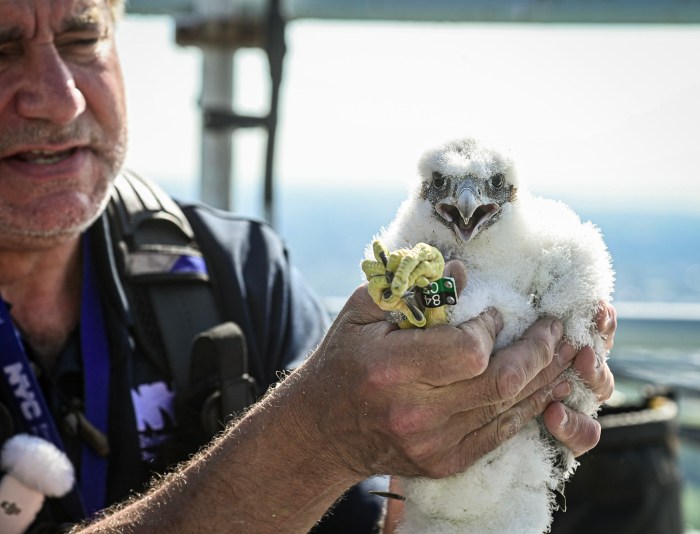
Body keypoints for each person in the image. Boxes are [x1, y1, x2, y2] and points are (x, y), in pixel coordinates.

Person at [0, 0, 615, 532]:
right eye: (3, 50)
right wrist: (318, 438)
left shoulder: (237, 271)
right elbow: (326, 435)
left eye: (82, 40)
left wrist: (447, 482)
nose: (59, 98)